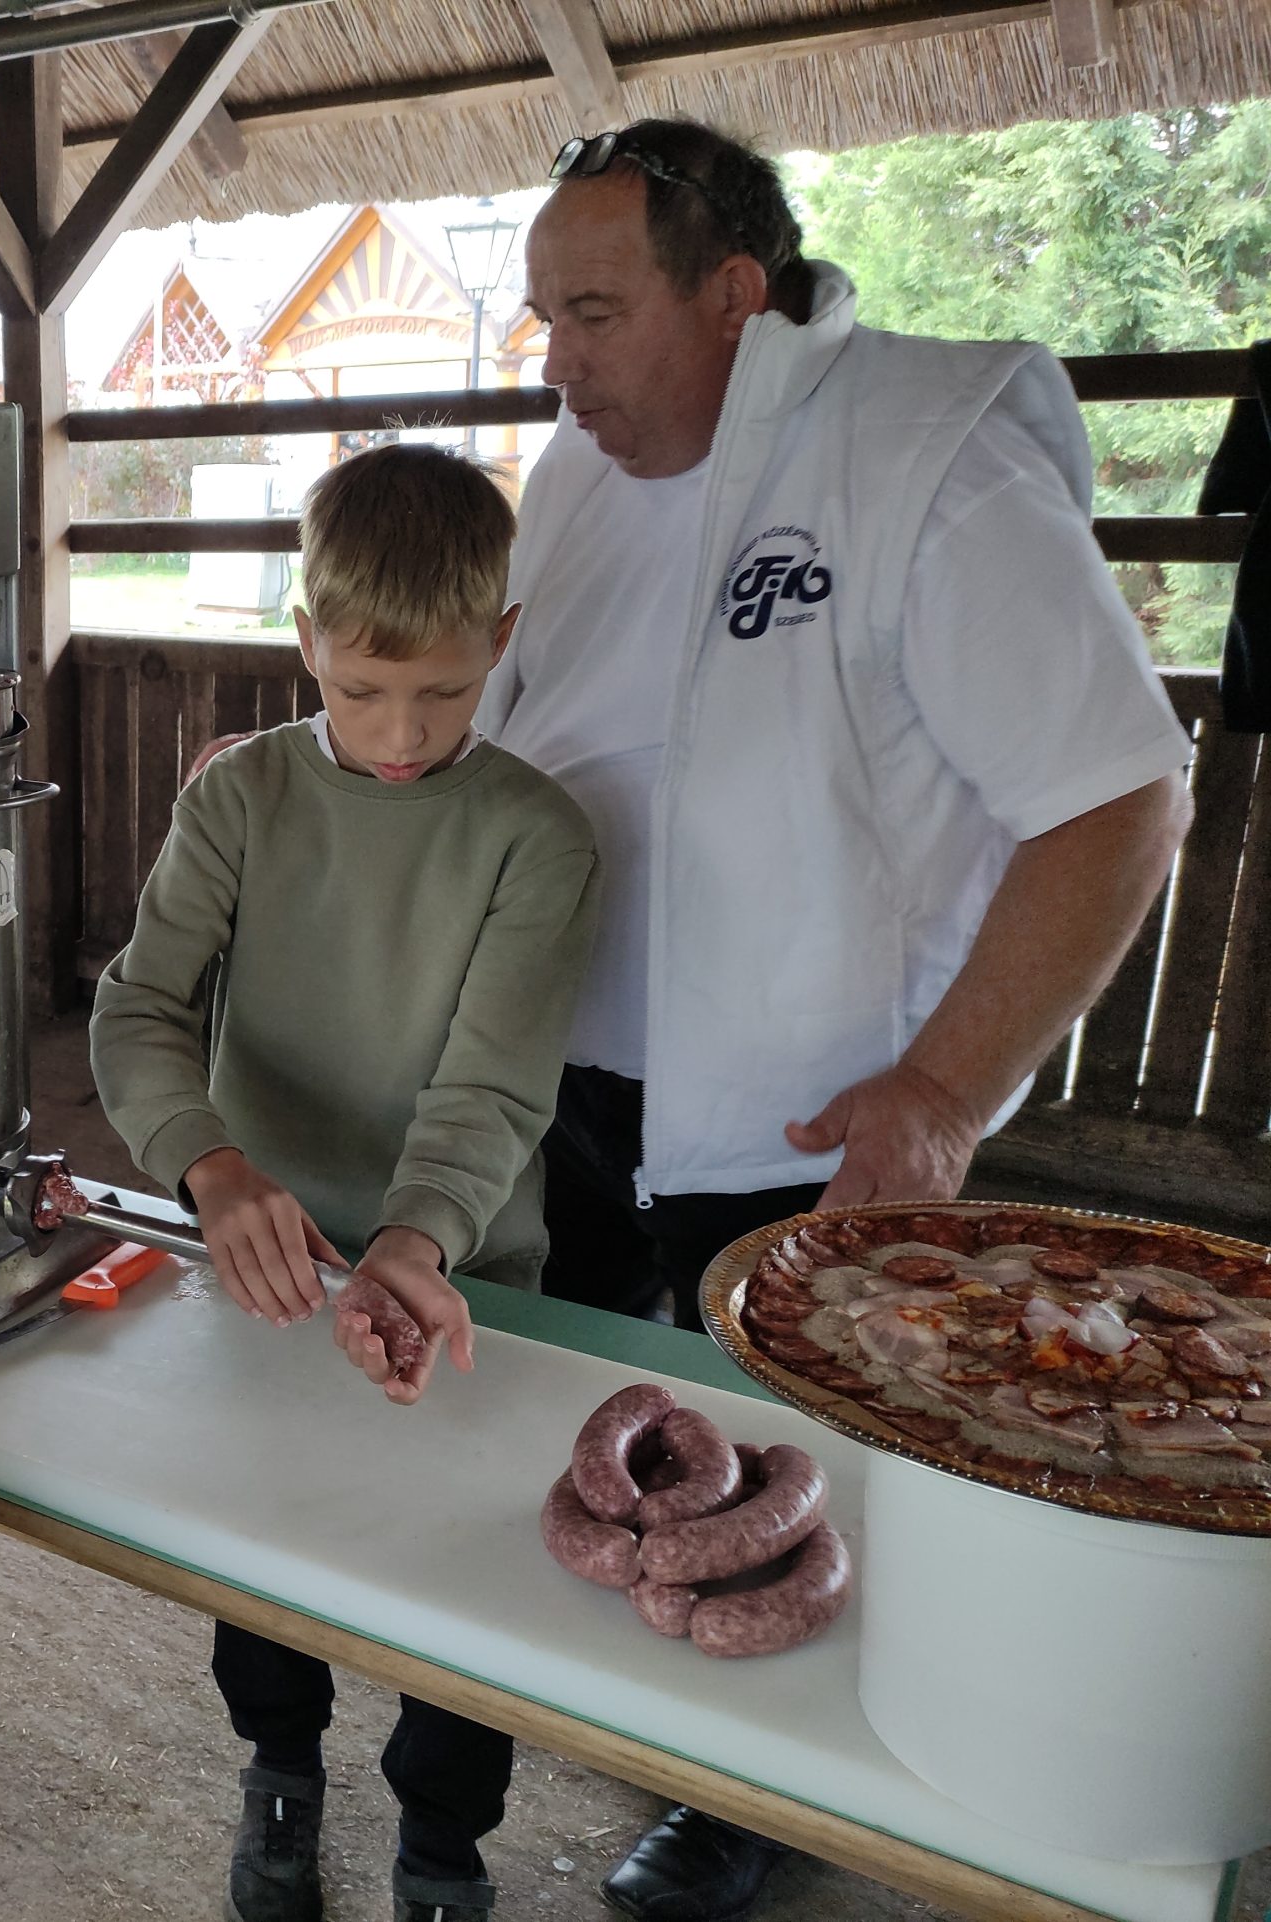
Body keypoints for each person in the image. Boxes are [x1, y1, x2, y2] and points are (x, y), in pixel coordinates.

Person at [486, 119, 1194, 1919]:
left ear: (735, 294)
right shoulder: (571, 476)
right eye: (540, 315)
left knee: (806, 1477)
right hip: (572, 1080)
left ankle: (755, 1810)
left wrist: (947, 1088)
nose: (555, 359)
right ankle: (644, 1711)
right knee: (607, 1434)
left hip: (811, 1113)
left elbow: (1118, 797)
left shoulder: (923, 452)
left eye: (593, 309)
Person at [91, 444, 601, 1922]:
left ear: (502, 641)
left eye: (443, 693)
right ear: (305, 635)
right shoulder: (242, 797)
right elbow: (138, 1008)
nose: (398, 732)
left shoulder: (534, 834)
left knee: (466, 1576)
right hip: (267, 1269)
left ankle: (443, 1841)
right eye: (361, 687)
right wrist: (215, 1166)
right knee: (261, 1544)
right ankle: (281, 1769)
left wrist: (414, 1241)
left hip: (464, 1270)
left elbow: (493, 1083)